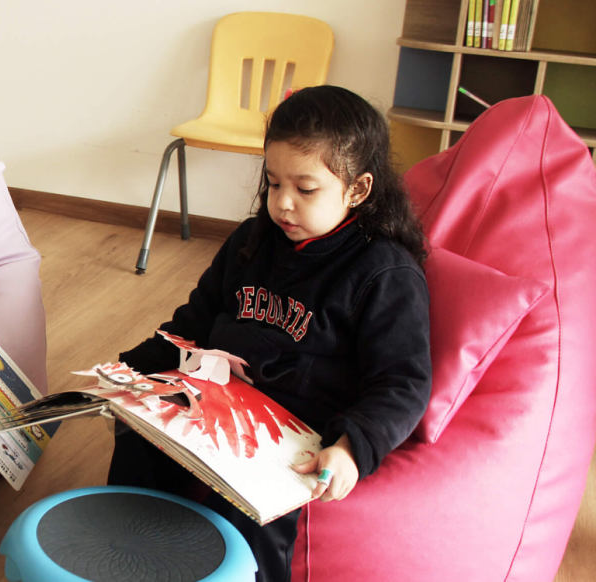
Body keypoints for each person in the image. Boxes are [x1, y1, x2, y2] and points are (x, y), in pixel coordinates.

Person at [108, 85, 432, 582]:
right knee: (137, 440)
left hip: (291, 432)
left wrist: (351, 448)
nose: (282, 204)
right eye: (273, 182)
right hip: (213, 399)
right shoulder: (252, 240)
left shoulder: (384, 273)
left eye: (306, 189)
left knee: (248, 516)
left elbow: (402, 382)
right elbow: (193, 322)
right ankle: (127, 557)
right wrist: (128, 371)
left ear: (358, 189)